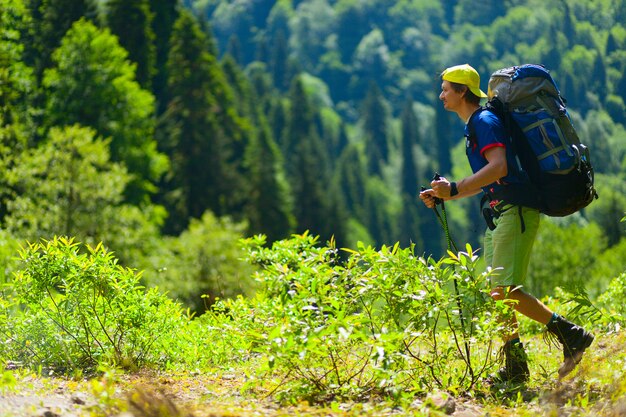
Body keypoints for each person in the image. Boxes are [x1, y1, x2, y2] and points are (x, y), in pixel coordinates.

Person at [419, 63, 594, 384]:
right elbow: (491, 180)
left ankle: (572, 335)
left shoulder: (483, 121)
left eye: (446, 89)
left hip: (516, 211)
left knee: (504, 290)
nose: (441, 95)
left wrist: (455, 188)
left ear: (462, 92)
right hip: (501, 213)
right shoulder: (477, 124)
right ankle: (516, 367)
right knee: (497, 292)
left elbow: (498, 168)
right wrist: (445, 194)